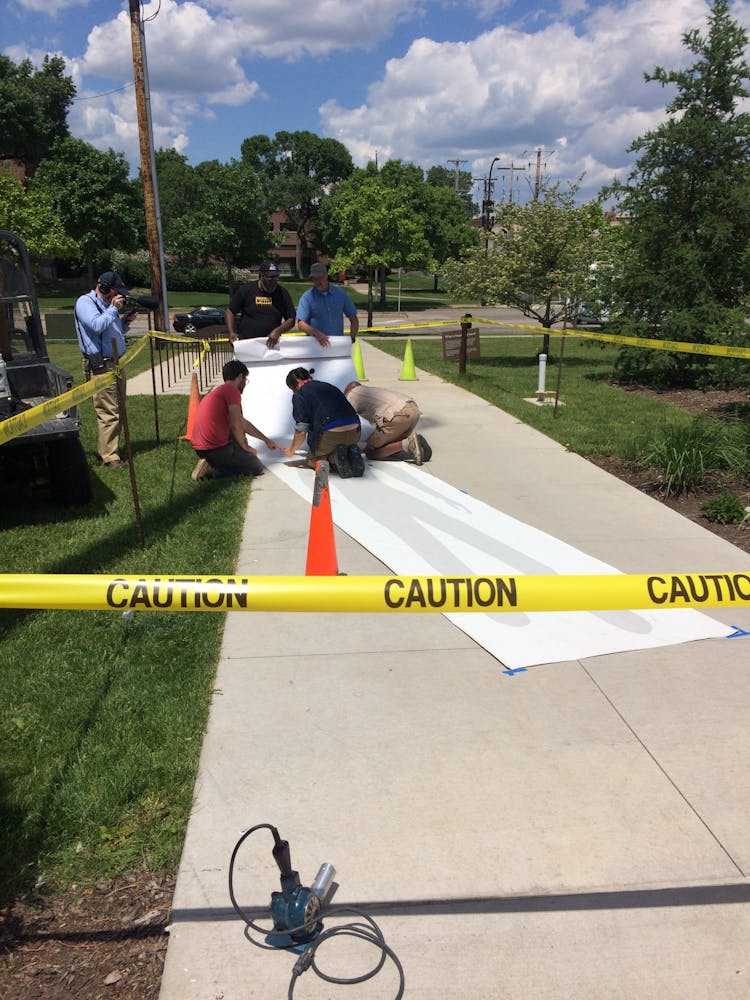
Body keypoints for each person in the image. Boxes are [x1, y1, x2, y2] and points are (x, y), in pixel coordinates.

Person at [74, 270, 135, 469]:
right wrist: (113, 309)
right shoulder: (85, 303)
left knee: (118, 408)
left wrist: (124, 322)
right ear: (105, 288)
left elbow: (112, 331)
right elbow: (96, 325)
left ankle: (110, 450)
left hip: (116, 362)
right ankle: (109, 456)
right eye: (116, 293)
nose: (118, 297)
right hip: (101, 365)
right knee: (109, 411)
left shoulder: (107, 306)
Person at [191, 359, 278, 481]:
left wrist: (266, 440)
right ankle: (212, 470)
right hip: (213, 449)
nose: (245, 383)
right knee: (257, 467)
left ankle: (212, 462)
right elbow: (236, 425)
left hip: (201, 447)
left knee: (243, 452)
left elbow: (242, 423)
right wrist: (245, 447)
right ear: (240, 377)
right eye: (245, 380)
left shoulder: (221, 391)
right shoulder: (232, 391)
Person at [282, 367, 365, 477]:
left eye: (292, 389)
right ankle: (350, 454)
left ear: (297, 382)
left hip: (331, 434)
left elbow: (301, 432)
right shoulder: (328, 386)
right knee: (339, 446)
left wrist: (291, 451)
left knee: (313, 460)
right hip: (355, 432)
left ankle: (334, 458)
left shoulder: (300, 394)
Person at [344, 381, 432, 465]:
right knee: (389, 446)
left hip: (397, 415)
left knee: (371, 452)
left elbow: (347, 424)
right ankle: (416, 448)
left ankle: (406, 444)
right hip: (413, 411)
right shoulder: (368, 391)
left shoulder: (351, 396)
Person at [225, 261, 295, 348]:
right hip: (247, 342)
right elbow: (230, 311)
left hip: (271, 344)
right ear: (261, 275)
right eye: (270, 278)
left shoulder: (282, 293)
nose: (273, 281)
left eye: (275, 277)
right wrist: (231, 332)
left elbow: (291, 319)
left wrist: (277, 331)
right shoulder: (246, 289)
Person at [296, 263, 359, 348]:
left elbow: (353, 318)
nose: (317, 282)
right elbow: (301, 324)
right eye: (314, 279)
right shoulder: (307, 297)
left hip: (337, 346)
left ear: (326, 275)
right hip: (314, 346)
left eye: (320, 278)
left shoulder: (340, 294)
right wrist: (316, 333)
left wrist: (352, 337)